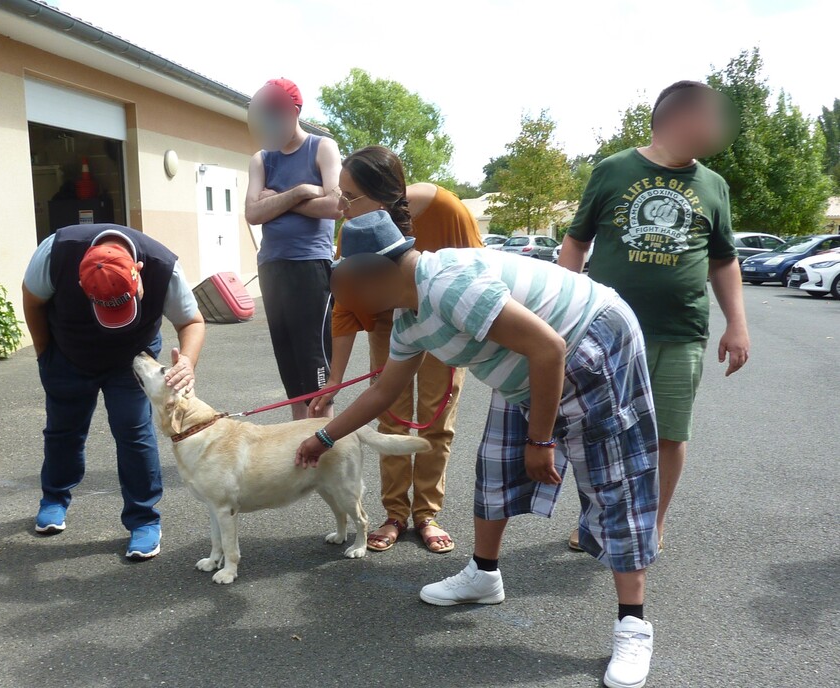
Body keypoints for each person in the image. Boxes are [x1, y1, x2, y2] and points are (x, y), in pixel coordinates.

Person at [296, 210, 661, 688]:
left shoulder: (447, 284)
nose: (354, 306)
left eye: (351, 288)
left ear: (377, 272)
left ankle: (633, 623)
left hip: (589, 338)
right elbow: (384, 392)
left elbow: (549, 347)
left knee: (614, 482)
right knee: (494, 467)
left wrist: (541, 440)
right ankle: (484, 576)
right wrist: (322, 437)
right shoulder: (408, 317)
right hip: (527, 365)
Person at [559, 80, 749, 553]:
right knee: (602, 431)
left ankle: (651, 522)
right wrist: (561, 307)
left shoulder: (713, 186)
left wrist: (738, 324)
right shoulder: (613, 170)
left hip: (680, 332)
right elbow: (577, 241)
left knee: (668, 434)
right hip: (606, 330)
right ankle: (600, 520)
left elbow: (724, 259)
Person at [309, 146, 483, 553]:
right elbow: (347, 305)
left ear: (384, 195)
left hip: (444, 320)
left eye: (349, 196)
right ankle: (394, 513)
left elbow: (477, 276)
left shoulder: (447, 209)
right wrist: (334, 378)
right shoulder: (353, 230)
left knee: (436, 422)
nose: (340, 206)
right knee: (391, 417)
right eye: (340, 193)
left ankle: (426, 513)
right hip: (388, 325)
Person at [22, 224, 205, 560]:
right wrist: (44, 355)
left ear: (139, 273)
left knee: (133, 433)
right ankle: (54, 498)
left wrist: (188, 362)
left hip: (132, 359)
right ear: (81, 283)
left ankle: (143, 520)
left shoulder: (163, 266)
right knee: (63, 430)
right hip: (68, 353)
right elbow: (32, 301)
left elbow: (192, 321)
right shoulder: (55, 253)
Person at [245, 78, 342, 420]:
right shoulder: (262, 158)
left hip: (310, 268)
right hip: (272, 269)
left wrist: (287, 197)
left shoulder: (322, 147)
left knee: (315, 368)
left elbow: (334, 205)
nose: (268, 121)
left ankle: (326, 449)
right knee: (290, 372)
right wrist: (302, 192)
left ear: (293, 112)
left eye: (275, 113)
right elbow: (253, 213)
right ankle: (300, 452)